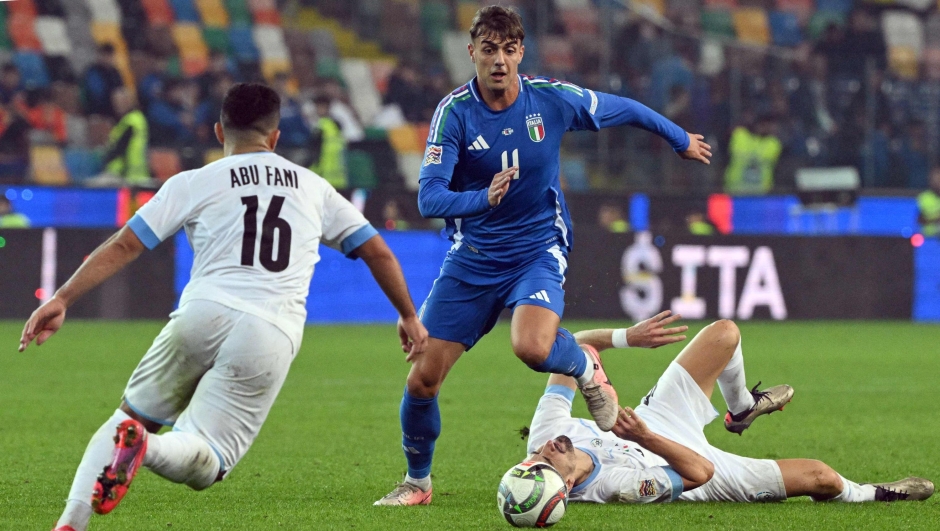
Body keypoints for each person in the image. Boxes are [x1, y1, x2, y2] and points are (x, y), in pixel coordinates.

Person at [19, 83, 429, 531]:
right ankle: (146, 449)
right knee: (206, 460)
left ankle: (70, 522)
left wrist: (61, 298)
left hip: (201, 312)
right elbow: (378, 252)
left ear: (219, 131)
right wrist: (408, 315)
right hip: (270, 330)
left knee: (129, 415)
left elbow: (126, 244)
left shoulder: (195, 181)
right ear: (274, 138)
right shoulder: (315, 188)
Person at [374, 5, 712, 506]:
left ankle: (582, 365)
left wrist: (679, 138)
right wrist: (481, 199)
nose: (499, 61)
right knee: (422, 379)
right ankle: (418, 483)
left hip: (537, 248)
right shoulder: (454, 114)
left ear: (520, 53)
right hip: (473, 258)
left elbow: (626, 108)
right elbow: (429, 198)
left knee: (532, 348)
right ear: (472, 53)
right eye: (488, 50)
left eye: (508, 50)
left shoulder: (550, 100)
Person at [521, 318, 934, 505]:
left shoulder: (549, 430)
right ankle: (872, 493)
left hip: (661, 417)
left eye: (533, 455)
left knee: (725, 334)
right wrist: (642, 437)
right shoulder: (617, 488)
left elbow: (573, 346)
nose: (543, 448)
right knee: (821, 477)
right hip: (691, 465)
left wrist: (626, 338)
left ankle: (742, 410)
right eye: (545, 461)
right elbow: (699, 473)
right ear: (567, 487)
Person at [81, 44, 125, 119]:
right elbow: (96, 93)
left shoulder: (115, 72)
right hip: (97, 111)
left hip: (114, 111)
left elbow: (121, 89)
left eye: (109, 56)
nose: (107, 59)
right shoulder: (92, 72)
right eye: (104, 55)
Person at [918, 166, 940, 237]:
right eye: (936, 179)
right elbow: (919, 220)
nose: (938, 182)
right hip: (928, 238)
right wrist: (935, 219)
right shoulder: (924, 197)